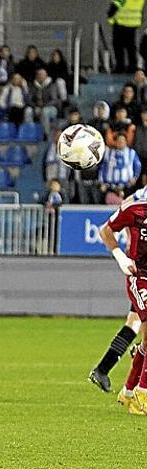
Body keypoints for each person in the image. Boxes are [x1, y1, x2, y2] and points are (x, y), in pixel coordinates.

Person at [99, 196, 147, 413]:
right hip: (140, 277)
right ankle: (142, 395)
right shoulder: (135, 210)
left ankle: (128, 392)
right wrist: (121, 257)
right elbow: (106, 230)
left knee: (145, 340)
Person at [100, 133, 142, 199]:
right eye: (119, 140)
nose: (120, 142)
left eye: (122, 140)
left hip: (127, 187)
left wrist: (135, 177)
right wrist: (102, 182)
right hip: (111, 187)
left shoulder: (131, 153)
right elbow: (103, 167)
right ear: (116, 142)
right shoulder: (109, 153)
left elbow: (138, 165)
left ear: (126, 142)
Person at [30, 68, 67, 140]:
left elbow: (54, 100)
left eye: (42, 75)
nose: (40, 76)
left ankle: (46, 134)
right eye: (39, 75)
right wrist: (34, 105)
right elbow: (30, 99)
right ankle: (30, 132)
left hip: (51, 108)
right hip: (37, 107)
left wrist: (44, 105)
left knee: (45, 111)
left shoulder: (52, 85)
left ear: (46, 75)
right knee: (28, 111)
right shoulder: (33, 86)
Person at [108, 0, 142, 73]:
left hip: (121, 22)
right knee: (131, 47)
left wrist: (110, 15)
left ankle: (120, 67)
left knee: (118, 47)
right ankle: (132, 67)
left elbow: (116, 4)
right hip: (133, 22)